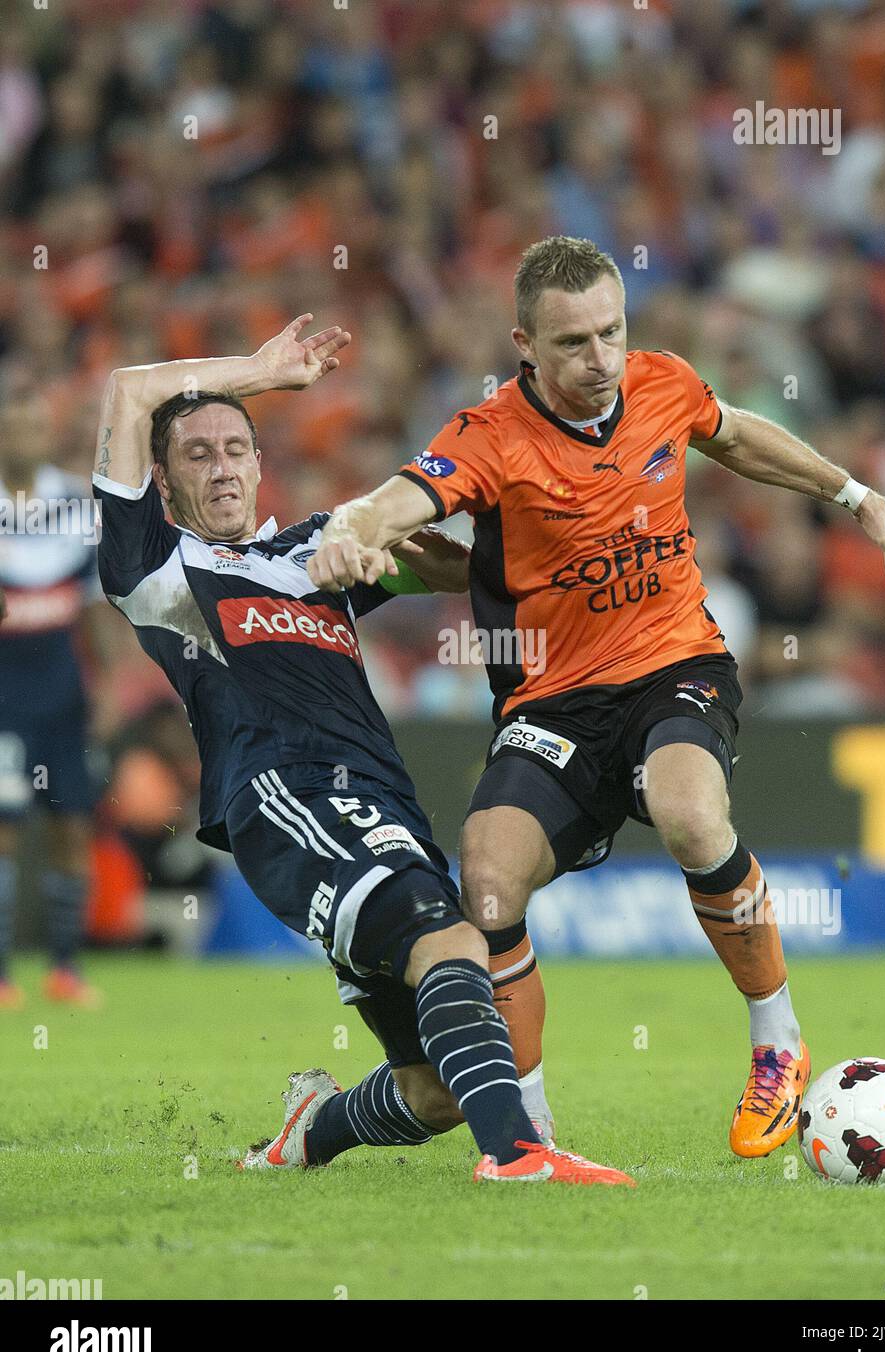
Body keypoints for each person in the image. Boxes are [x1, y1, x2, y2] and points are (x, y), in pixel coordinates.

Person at [305, 236, 885, 1157]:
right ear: (525, 343)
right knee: (486, 871)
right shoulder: (489, 438)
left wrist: (859, 498)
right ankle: (528, 1131)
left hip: (674, 663)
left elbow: (737, 435)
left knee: (687, 812)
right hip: (551, 705)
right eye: (571, 343)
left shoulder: (662, 383)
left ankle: (776, 1043)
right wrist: (349, 531)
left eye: (611, 332)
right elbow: (397, 501)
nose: (599, 360)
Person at [91, 313, 633, 1186]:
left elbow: (464, 575)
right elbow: (127, 388)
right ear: (161, 478)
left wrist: (398, 550)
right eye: (197, 454)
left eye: (237, 447)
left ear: (262, 464)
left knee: (434, 1090)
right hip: (285, 796)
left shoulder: (311, 551)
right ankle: (518, 1153)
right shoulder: (156, 567)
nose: (223, 466)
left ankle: (315, 1129)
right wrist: (262, 373)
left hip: (383, 802)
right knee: (451, 942)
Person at [0, 385, 110, 1009]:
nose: (23, 437)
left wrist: (107, 685)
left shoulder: (74, 503)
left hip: (63, 688)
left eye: (32, 425)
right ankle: (3, 975)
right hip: (4, 693)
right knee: (5, 829)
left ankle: (65, 970)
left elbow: (94, 602)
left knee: (72, 822)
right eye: (12, 426)